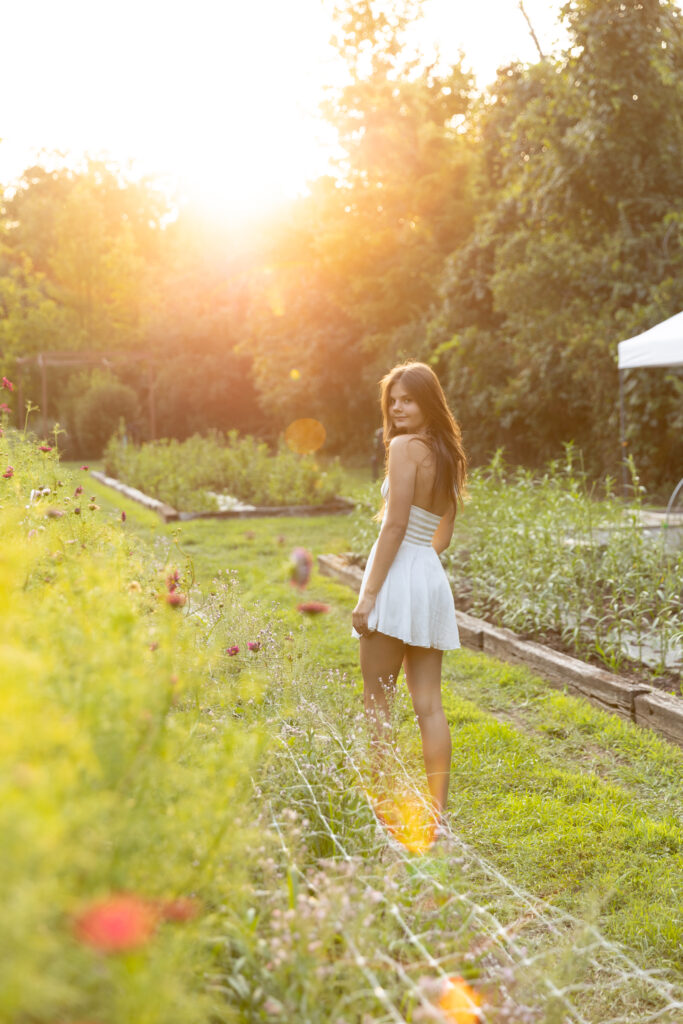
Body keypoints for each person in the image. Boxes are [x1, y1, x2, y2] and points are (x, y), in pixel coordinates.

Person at [352, 361, 467, 829]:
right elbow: (442, 535)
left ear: (428, 402)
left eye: (408, 399)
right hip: (428, 575)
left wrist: (368, 596)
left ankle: (380, 809)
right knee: (430, 704)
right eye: (392, 400)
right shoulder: (448, 452)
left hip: (399, 576)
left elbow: (395, 525)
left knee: (377, 699)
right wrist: (420, 559)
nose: (398, 408)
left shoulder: (402, 447)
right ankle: (436, 816)